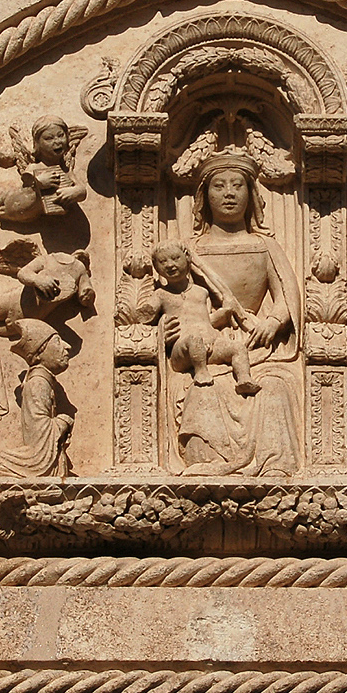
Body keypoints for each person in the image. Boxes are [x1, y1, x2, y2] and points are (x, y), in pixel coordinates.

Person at [174, 148, 301, 476]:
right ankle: (210, 462)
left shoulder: (265, 246)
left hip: (258, 347)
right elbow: (180, 300)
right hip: (209, 346)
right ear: (204, 197)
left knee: (274, 389)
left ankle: (273, 468)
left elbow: (287, 295)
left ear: (251, 194)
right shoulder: (191, 250)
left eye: (237, 185)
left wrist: (273, 322)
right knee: (205, 390)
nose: (228, 193)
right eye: (219, 186)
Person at [139, 241, 257, 394]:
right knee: (193, 339)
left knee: (237, 347)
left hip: (211, 344)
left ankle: (244, 379)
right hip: (182, 351)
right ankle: (201, 372)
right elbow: (145, 316)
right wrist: (147, 313)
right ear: (156, 267)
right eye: (162, 261)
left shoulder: (201, 292)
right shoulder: (161, 295)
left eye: (175, 258)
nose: (170, 265)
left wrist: (223, 314)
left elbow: (206, 320)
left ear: (187, 258)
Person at [0, 319, 74, 478]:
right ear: (40, 353)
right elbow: (38, 435)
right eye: (57, 342)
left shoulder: (42, 383)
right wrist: (63, 421)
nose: (67, 346)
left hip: (44, 453)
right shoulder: (38, 383)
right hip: (38, 459)